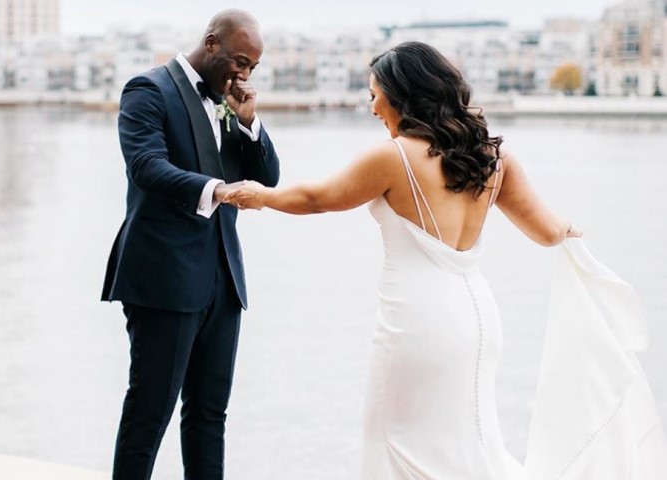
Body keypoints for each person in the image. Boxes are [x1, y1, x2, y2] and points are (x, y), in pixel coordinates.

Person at [223, 42, 667, 479]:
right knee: (471, 446)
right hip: (477, 321)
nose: (373, 106)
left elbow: (318, 198)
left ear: (401, 94)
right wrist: (575, 237)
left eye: (374, 94)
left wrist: (261, 196)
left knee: (395, 443)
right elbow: (549, 232)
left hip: (418, 324)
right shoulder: (494, 157)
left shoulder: (394, 156)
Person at [100, 9, 279, 480]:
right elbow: (146, 166)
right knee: (149, 412)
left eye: (253, 68)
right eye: (240, 61)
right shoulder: (147, 90)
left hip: (223, 282)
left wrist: (247, 122)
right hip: (163, 278)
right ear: (212, 42)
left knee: (209, 416)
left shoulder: (230, 100)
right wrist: (216, 190)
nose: (243, 75)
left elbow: (267, 179)